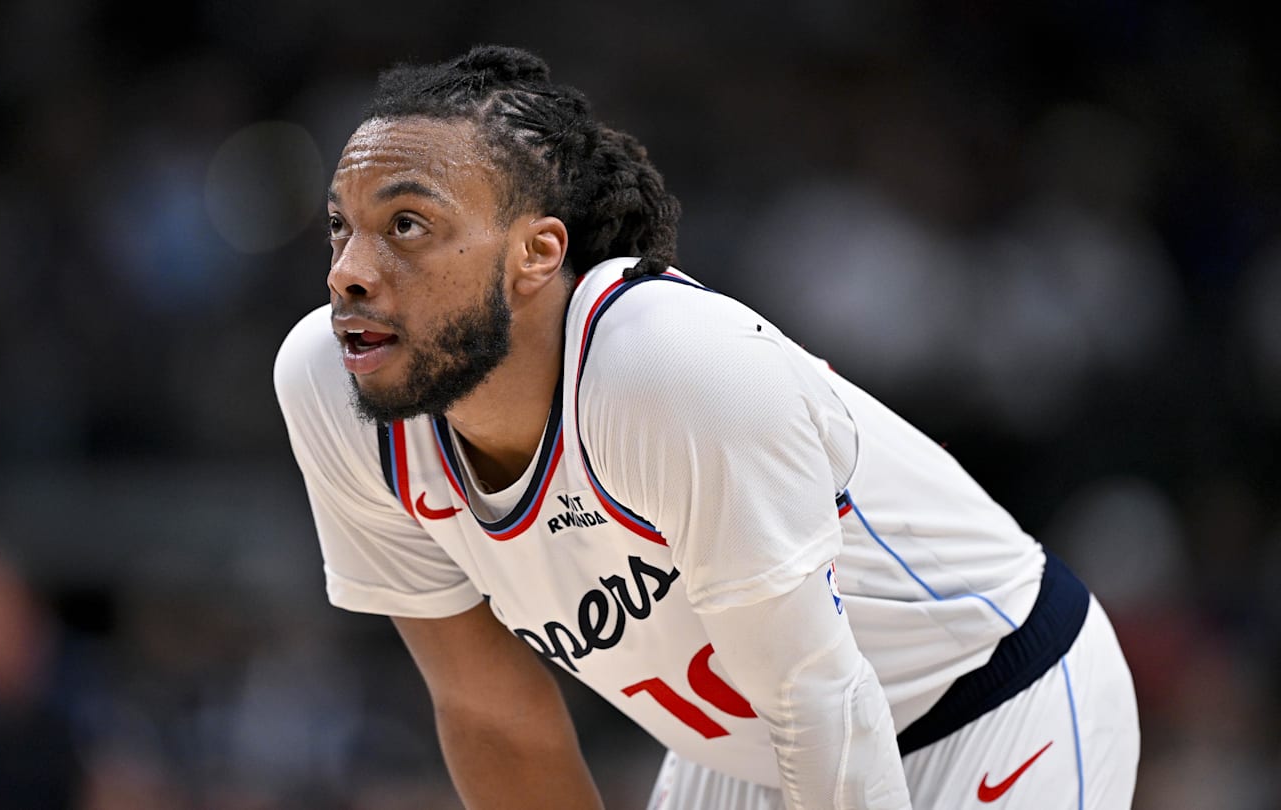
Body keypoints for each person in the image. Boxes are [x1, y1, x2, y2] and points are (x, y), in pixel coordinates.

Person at [274, 45, 1140, 809]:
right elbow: (492, 715)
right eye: (342, 228)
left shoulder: (668, 364)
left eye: (407, 225)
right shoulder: (335, 385)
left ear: (536, 253)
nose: (349, 271)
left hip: (991, 703)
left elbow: (822, 699)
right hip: (759, 752)